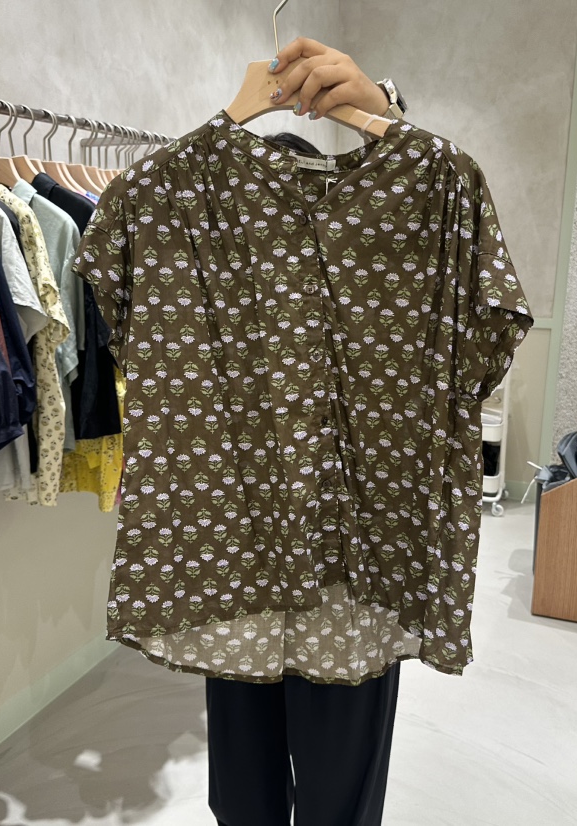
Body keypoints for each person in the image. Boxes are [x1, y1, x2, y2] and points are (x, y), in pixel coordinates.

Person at [205, 38, 410, 826]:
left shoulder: (397, 252)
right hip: (246, 567)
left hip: (348, 569)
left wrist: (386, 117)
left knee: (333, 789)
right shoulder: (193, 246)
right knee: (250, 788)